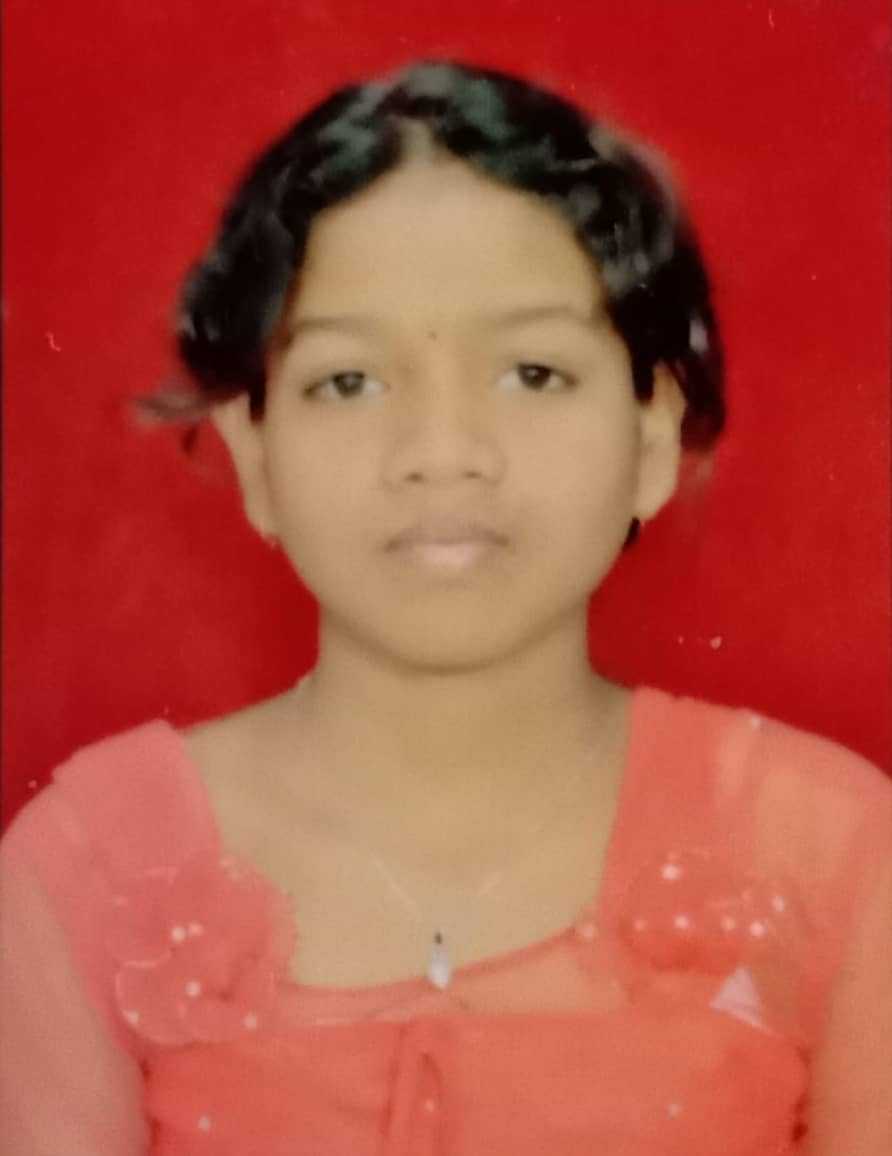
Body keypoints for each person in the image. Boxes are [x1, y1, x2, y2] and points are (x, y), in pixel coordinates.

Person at [1, 59, 889, 1156]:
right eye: (349, 381)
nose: (442, 452)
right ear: (254, 455)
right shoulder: (91, 867)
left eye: (531, 373)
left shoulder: (830, 849)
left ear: (652, 436)